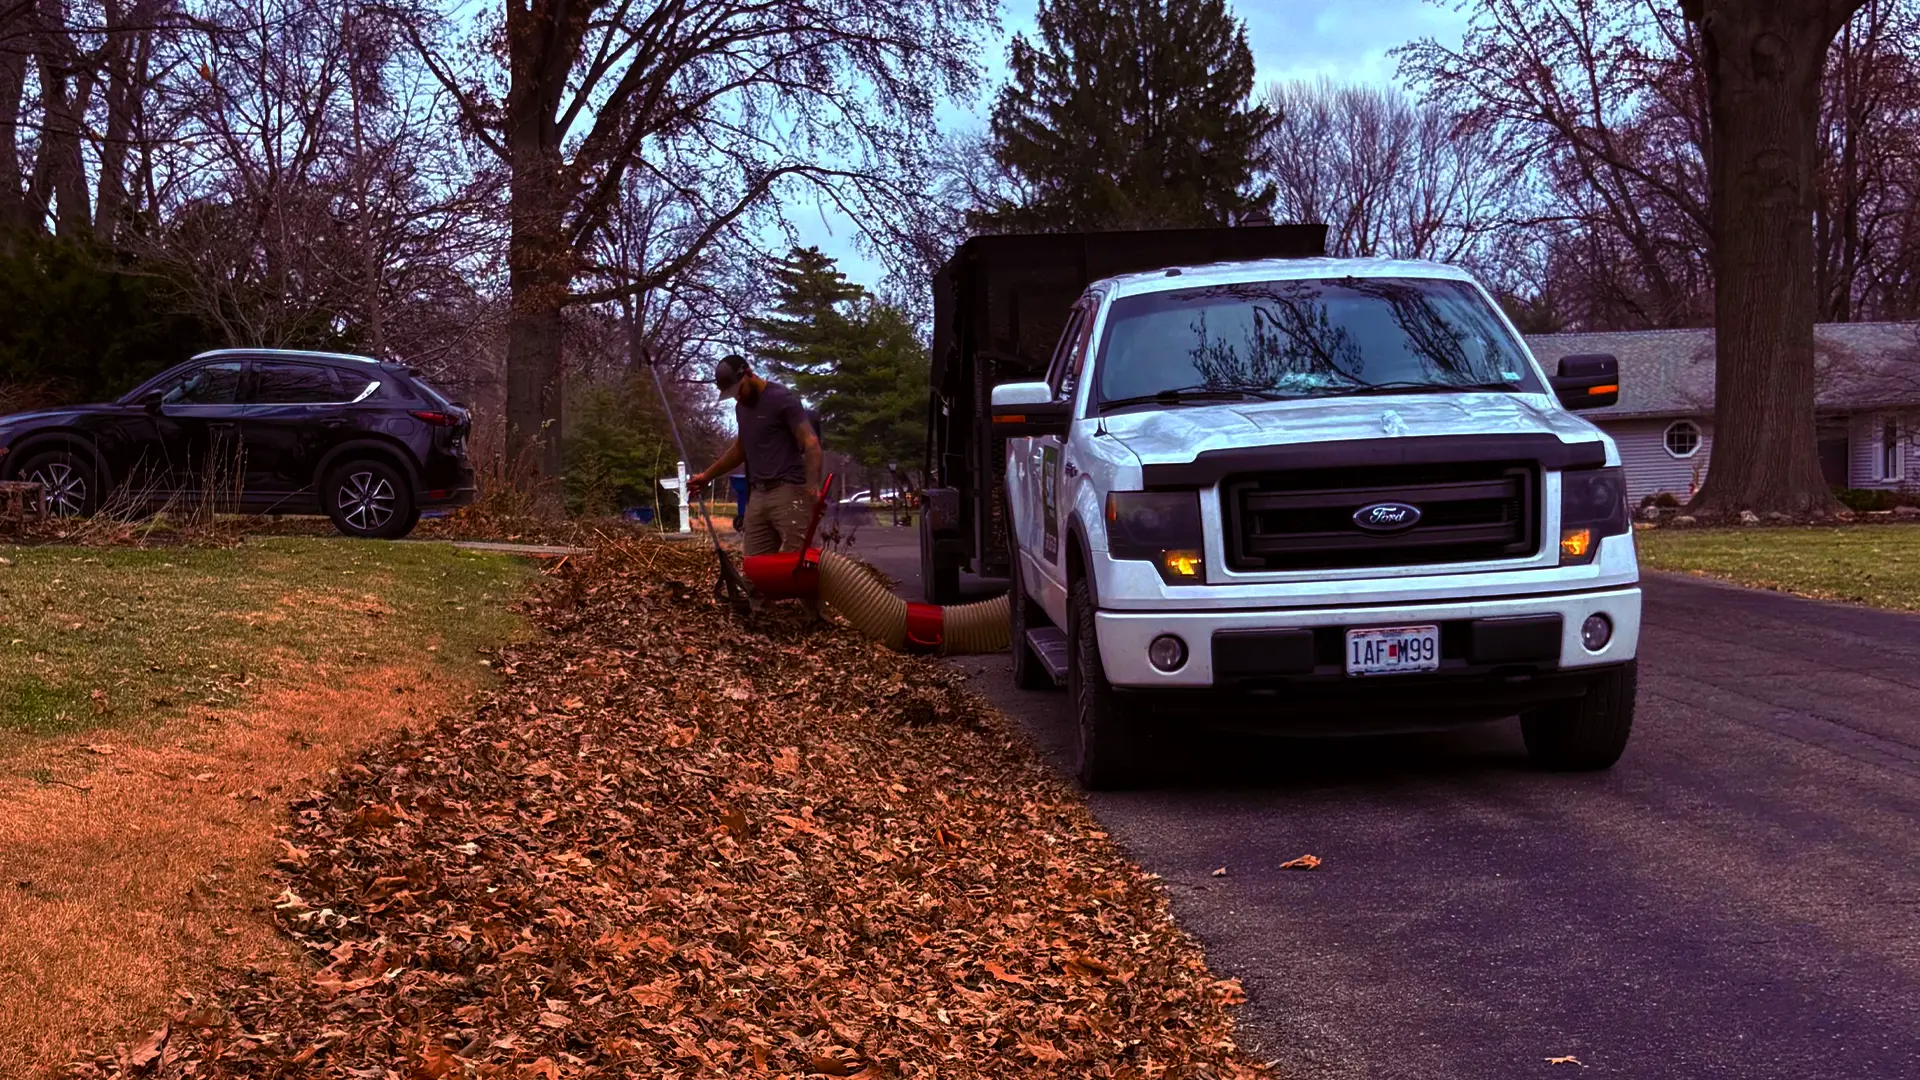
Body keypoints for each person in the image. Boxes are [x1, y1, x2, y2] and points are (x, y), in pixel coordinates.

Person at [689, 355, 823, 557]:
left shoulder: (781, 399)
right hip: (757, 495)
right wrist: (706, 476)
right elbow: (741, 449)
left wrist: (812, 488)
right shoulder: (741, 408)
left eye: (738, 390)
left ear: (749, 374)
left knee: (795, 563)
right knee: (755, 566)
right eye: (732, 394)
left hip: (788, 490)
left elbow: (811, 443)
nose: (737, 397)